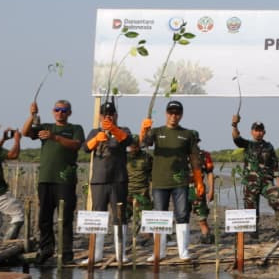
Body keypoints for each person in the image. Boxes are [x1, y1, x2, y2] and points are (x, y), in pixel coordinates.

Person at [23, 100, 84, 266]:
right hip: (45, 179)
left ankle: (66, 252)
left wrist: (55, 137)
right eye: (57, 109)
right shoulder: (45, 127)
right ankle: (46, 249)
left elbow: (76, 145)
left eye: (63, 110)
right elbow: (26, 132)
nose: (60, 113)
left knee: (64, 218)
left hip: (65, 180)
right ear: (53, 111)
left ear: (69, 113)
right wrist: (32, 115)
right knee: (45, 217)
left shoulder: (75, 129)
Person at [141, 99, 202, 260]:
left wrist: (199, 180)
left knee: (182, 214)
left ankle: (183, 251)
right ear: (166, 113)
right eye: (171, 113)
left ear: (181, 115)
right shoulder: (156, 131)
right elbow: (144, 143)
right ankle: (159, 252)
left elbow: (194, 158)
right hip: (160, 181)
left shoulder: (188, 134)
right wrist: (144, 129)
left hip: (180, 182)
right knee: (159, 215)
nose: (174, 116)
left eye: (177, 113)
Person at [81, 101, 133, 264]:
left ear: (116, 115)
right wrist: (97, 139)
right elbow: (85, 148)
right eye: (104, 114)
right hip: (99, 180)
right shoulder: (94, 131)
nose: (108, 116)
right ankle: (96, 254)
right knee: (98, 216)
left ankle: (121, 253)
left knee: (120, 216)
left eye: (111, 114)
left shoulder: (123, 130)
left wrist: (112, 129)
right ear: (100, 116)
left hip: (119, 180)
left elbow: (127, 141)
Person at [232, 117, 279, 232]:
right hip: (251, 183)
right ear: (252, 132)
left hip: (266, 182)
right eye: (256, 130)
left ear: (264, 132)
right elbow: (236, 138)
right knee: (251, 210)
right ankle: (253, 233)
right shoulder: (247, 144)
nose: (258, 132)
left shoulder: (269, 147)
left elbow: (275, 165)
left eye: (261, 130)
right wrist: (235, 125)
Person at [189, 149, 215, 244]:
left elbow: (210, 173)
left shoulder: (204, 155)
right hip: (181, 189)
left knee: (202, 218)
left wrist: (211, 190)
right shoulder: (179, 154)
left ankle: (206, 236)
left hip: (198, 189)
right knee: (182, 217)